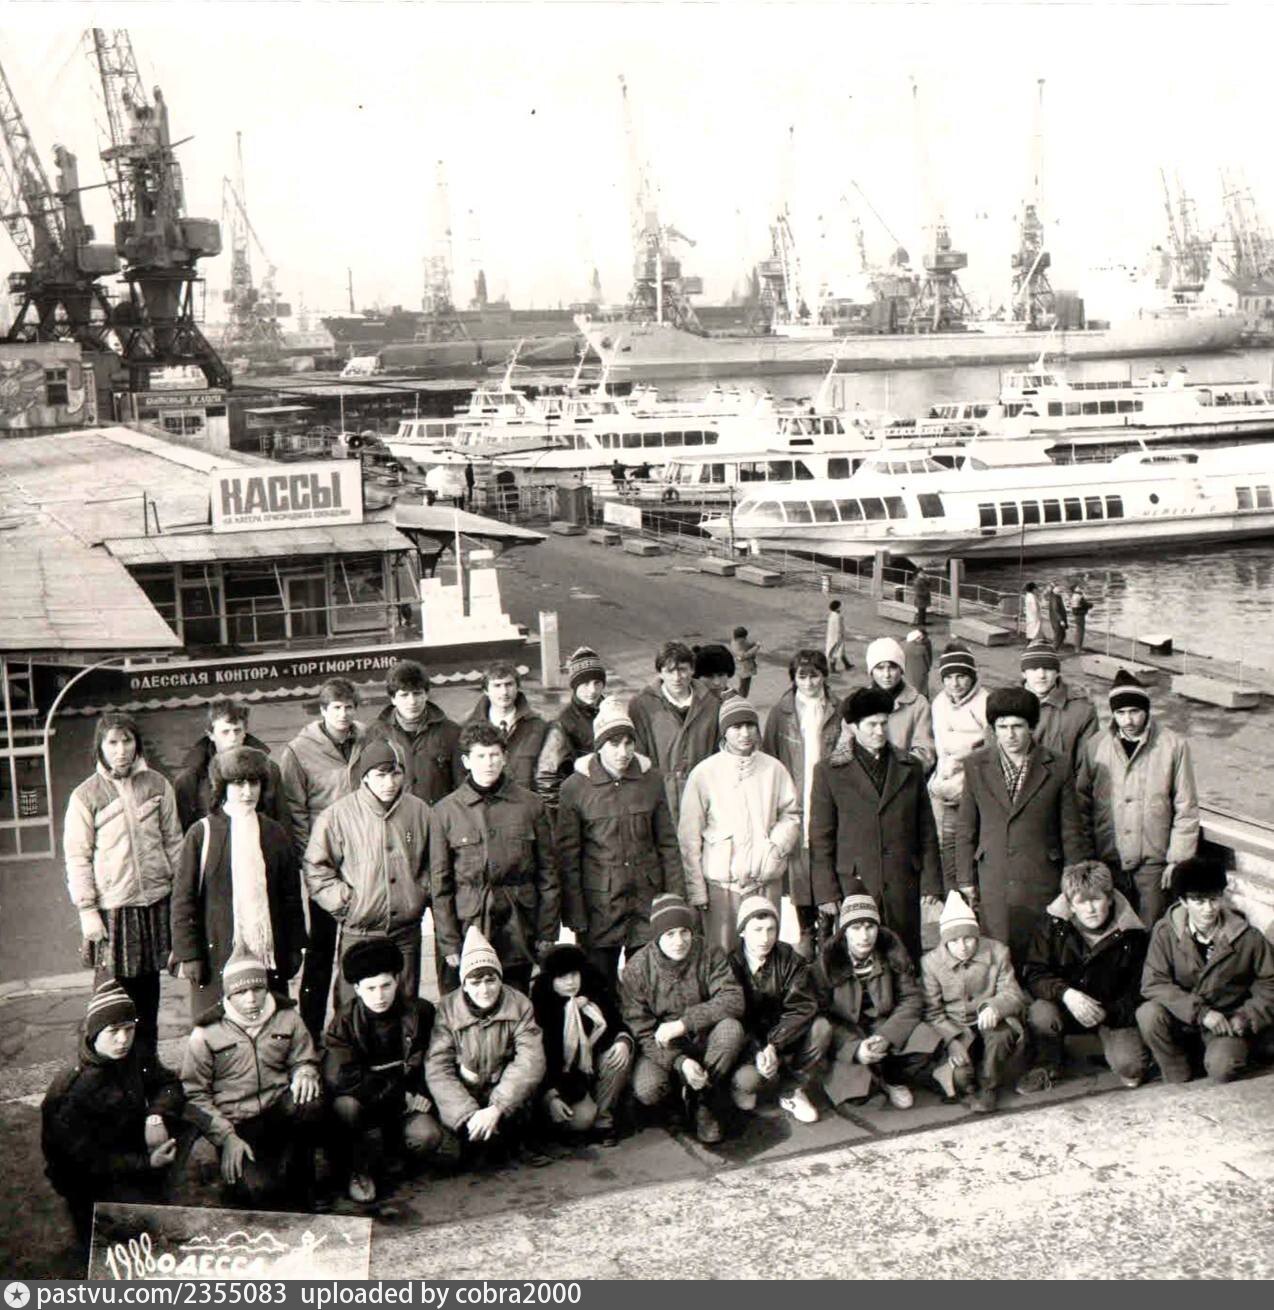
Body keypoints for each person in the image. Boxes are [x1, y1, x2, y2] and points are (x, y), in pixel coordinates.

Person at [63, 712, 183, 1069]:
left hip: (154, 904)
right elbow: (77, 858)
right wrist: (87, 911)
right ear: (100, 747)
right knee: (111, 1003)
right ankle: (106, 1074)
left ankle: (148, 1069)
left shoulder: (158, 784)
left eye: (127, 741)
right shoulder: (86, 795)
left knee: (149, 997)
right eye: (112, 742)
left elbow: (174, 843)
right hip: (113, 911)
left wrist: (180, 899)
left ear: (137, 744)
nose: (121, 750)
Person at [41, 981, 184, 1251]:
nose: (123, 1039)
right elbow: (83, 1161)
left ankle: (151, 1190)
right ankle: (94, 1221)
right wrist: (147, 1163)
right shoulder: (72, 1090)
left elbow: (169, 1083)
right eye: (113, 1031)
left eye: (129, 1028)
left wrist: (156, 1115)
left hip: (127, 1153)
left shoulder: (135, 1054)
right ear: (95, 1033)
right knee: (137, 1241)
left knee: (186, 1119)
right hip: (90, 1178)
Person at [557, 697, 684, 990]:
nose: (623, 752)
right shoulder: (574, 788)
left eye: (629, 743)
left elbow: (667, 844)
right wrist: (575, 911)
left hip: (646, 901)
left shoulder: (652, 781)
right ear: (599, 746)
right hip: (600, 907)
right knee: (599, 986)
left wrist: (674, 898)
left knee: (648, 984)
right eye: (614, 744)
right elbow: (568, 857)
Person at [956, 686, 1090, 964]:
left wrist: (1073, 884)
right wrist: (966, 880)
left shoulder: (1058, 766)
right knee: (997, 954)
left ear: (1031, 727)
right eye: (1002, 727)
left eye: (1017, 726)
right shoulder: (976, 765)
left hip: (1042, 877)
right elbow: (966, 828)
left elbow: (1071, 831)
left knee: (1041, 952)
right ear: (993, 729)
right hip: (994, 878)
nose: (1010, 735)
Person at [170, 746, 306, 1016]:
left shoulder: (274, 833)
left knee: (268, 1021)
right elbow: (183, 899)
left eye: (254, 783)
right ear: (223, 787)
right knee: (217, 1026)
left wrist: (293, 946)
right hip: (216, 953)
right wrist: (190, 953)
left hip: (266, 954)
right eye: (238, 783)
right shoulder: (202, 834)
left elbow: (290, 896)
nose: (247, 792)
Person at [181, 954, 324, 1209]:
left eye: (258, 989)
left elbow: (304, 1057)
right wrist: (226, 1137)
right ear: (228, 995)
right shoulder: (205, 1033)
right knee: (260, 1192)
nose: (251, 999)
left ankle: (302, 1176)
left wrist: (305, 1071)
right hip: (237, 1124)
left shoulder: (287, 1017)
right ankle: (254, 1177)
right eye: (241, 992)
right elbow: (195, 1095)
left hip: (278, 1110)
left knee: (311, 1100)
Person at [810, 686, 941, 964]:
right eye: (871, 725)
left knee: (903, 955)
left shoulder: (909, 767)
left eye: (884, 723)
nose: (880, 731)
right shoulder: (829, 772)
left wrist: (931, 882)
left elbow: (926, 830)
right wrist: (826, 891)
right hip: (855, 881)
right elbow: (821, 837)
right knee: (858, 954)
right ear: (852, 727)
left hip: (902, 879)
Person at [430, 721, 559, 996]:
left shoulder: (530, 805)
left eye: (494, 755)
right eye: (480, 756)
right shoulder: (445, 812)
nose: (488, 763)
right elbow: (440, 884)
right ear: (466, 761)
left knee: (518, 997)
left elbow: (548, 873)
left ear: (504, 757)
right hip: (470, 924)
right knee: (469, 1001)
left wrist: (547, 931)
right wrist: (449, 941)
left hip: (519, 924)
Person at [304, 737, 433, 1008]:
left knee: (404, 1003)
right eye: (380, 775)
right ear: (365, 777)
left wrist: (419, 893)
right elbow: (316, 869)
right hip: (360, 930)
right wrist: (349, 903)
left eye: (396, 774)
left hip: (406, 932)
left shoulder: (419, 811)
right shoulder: (337, 816)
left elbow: (433, 863)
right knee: (353, 1005)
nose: (389, 783)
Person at [323, 936, 448, 1203]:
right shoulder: (342, 1023)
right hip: (367, 1102)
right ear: (357, 988)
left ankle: (395, 1157)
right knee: (345, 1107)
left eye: (385, 985)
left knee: (427, 1135)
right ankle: (357, 1168)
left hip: (407, 1102)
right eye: (370, 988)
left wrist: (423, 1092)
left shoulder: (420, 1013)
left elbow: (436, 1059)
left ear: (397, 980)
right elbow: (343, 1077)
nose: (379, 996)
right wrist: (400, 1096)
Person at [620, 894, 747, 1145]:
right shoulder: (637, 969)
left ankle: (703, 1100)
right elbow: (641, 1030)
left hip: (705, 1038)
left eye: (684, 932)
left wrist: (684, 1023)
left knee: (731, 1029)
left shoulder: (709, 952)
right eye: (669, 934)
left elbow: (733, 999)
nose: (679, 941)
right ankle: (678, 1099)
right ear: (657, 937)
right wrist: (679, 1062)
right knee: (648, 1089)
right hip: (664, 1047)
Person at [678, 697, 802, 953]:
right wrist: (697, 889)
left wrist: (775, 849)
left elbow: (791, 814)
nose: (745, 733)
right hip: (723, 886)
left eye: (750, 725)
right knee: (723, 954)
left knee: (764, 951)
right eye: (736, 727)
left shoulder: (774, 769)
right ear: (724, 731)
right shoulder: (704, 773)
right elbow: (689, 836)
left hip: (764, 881)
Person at [278, 678, 366, 1040]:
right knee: (321, 948)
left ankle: (353, 1027)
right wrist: (310, 860)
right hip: (325, 861)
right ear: (323, 711)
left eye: (349, 707)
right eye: (336, 708)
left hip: (363, 855)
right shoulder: (298, 751)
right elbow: (295, 810)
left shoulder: (367, 739)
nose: (343, 715)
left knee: (360, 945)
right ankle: (311, 1031)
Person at [1077, 669, 1200, 925]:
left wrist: (1177, 860)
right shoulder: (1096, 746)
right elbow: (1082, 802)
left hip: (1153, 862)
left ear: (1146, 710)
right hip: (1108, 859)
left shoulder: (1172, 746)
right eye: (1120, 712)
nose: (1128, 720)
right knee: (1114, 928)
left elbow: (1186, 807)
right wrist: (1088, 855)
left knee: (1151, 926)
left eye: (1134, 711)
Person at [1017, 860, 1151, 1094]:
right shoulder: (1052, 924)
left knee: (1131, 1067)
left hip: (1111, 1013)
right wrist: (1066, 994)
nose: (1090, 909)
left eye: (1096, 899)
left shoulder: (1133, 935)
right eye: (1081, 902)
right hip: (1065, 1004)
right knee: (1040, 1014)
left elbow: (1139, 989)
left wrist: (1108, 1012)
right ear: (1070, 905)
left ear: (1110, 898)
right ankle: (1047, 1063)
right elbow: (1035, 973)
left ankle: (1113, 1051)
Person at [1137, 858, 1274, 1084]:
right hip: (1182, 1017)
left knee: (1222, 1069)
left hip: (1226, 1021)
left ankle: (1238, 1052)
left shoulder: (1247, 936)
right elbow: (1154, 982)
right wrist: (1200, 1013)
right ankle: (1177, 1071)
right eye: (1198, 901)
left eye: (1214, 899)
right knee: (1148, 1014)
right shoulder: (1165, 932)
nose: (1208, 909)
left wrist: (1246, 1017)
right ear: (1183, 901)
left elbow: (1269, 983)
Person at [424, 927, 548, 1166]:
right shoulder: (447, 1009)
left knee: (517, 1127)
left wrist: (497, 1107)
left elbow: (530, 1060)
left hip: (504, 1093)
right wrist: (467, 1114)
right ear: (464, 985)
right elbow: (438, 1068)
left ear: (500, 979)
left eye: (491, 980)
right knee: (453, 1156)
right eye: (476, 982)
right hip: (465, 1094)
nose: (484, 989)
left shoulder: (519, 1004)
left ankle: (514, 1138)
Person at [811, 886, 935, 1113]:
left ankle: (891, 1077)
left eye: (870, 927)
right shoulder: (828, 962)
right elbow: (820, 1014)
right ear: (844, 932)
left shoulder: (892, 952)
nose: (864, 935)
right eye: (856, 928)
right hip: (848, 1034)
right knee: (858, 1098)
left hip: (883, 1026)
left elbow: (911, 999)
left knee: (927, 1040)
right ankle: (869, 1077)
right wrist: (854, 1048)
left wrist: (887, 1036)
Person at [761, 649, 842, 959]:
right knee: (799, 864)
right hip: (794, 795)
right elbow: (770, 756)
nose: (809, 683)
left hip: (827, 793)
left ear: (824, 676)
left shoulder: (837, 709)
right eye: (802, 677)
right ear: (794, 679)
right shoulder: (781, 713)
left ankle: (827, 928)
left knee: (826, 853)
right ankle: (806, 928)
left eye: (815, 676)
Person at [919, 891, 1028, 1113]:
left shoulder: (997, 952)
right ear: (945, 941)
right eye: (954, 940)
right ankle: (967, 1083)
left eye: (968, 938)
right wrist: (952, 1041)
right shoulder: (931, 963)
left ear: (977, 936)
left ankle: (989, 1086)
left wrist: (994, 1007)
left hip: (991, 1025)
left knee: (1001, 1036)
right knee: (961, 1077)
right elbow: (932, 1012)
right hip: (957, 1028)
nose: (962, 946)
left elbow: (1013, 992)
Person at [727, 896, 830, 1124]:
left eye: (771, 929)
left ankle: (791, 1089)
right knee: (747, 1082)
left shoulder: (790, 960)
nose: (765, 938)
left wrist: (774, 1044)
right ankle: (740, 1086)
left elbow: (802, 1006)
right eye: (757, 930)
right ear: (742, 932)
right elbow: (733, 1017)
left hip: (783, 1039)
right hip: (749, 1046)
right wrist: (757, 1050)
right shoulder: (729, 965)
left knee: (821, 1028)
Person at [530, 944, 634, 1147]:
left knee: (618, 1054)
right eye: (562, 977)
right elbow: (538, 1061)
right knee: (582, 1119)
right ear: (551, 980)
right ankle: (564, 1124)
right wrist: (550, 1096)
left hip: (590, 1072)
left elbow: (617, 1024)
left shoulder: (591, 999)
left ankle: (604, 1120)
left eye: (574, 974)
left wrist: (623, 1041)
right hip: (561, 1082)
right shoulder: (542, 1011)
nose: (570, 982)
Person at [630, 640, 722, 826]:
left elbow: (718, 752)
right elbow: (638, 754)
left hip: (702, 794)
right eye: (669, 671)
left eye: (682, 669)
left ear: (692, 670)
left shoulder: (711, 704)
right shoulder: (642, 706)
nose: (677, 677)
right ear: (660, 672)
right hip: (660, 798)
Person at [172, 699, 289, 833]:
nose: (233, 738)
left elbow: (282, 822)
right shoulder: (190, 779)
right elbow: (184, 833)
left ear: (245, 732)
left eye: (237, 731)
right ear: (211, 735)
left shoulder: (269, 770)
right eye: (225, 732)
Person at [929, 644, 989, 895]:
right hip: (942, 785)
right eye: (949, 677)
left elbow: (990, 747)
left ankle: (971, 896)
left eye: (961, 676)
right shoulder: (939, 703)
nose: (954, 684)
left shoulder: (984, 702)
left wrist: (964, 759)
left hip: (969, 787)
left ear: (972, 676)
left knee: (966, 842)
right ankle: (952, 897)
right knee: (944, 845)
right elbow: (939, 744)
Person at [360, 659, 460, 806]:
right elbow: (366, 785)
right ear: (393, 699)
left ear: (426, 695)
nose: (412, 701)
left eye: (417, 693)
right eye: (404, 695)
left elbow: (461, 783)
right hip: (394, 815)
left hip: (439, 815)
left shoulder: (451, 732)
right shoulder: (374, 733)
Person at [535, 646, 609, 815]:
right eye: (585, 683)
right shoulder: (563, 723)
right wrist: (564, 817)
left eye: (597, 683)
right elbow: (547, 777)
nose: (592, 690)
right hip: (586, 809)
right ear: (574, 686)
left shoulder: (612, 712)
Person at [462, 662, 549, 791]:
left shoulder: (539, 726)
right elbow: (461, 776)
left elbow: (547, 774)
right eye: (497, 685)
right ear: (486, 690)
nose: (504, 692)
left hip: (526, 800)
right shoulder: (467, 727)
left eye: (509, 684)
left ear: (518, 687)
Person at [1021, 639, 1098, 775]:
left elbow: (1087, 764)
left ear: (1057, 672)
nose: (1041, 675)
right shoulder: (1005, 705)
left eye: (1048, 668)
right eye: (1033, 669)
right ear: (1024, 673)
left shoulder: (1082, 710)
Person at [860, 636, 935, 770]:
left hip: (904, 777)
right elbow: (845, 746)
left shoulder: (918, 704)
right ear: (871, 671)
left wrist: (897, 773)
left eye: (893, 667)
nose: (886, 675)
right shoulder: (858, 701)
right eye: (880, 668)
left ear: (901, 669)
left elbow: (925, 752)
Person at [903, 627, 933, 700]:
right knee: (923, 687)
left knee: (911, 686)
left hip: (909, 672)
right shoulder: (922, 648)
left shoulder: (905, 647)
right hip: (922, 671)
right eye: (918, 638)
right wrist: (928, 668)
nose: (920, 639)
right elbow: (927, 661)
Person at [730, 626, 761, 699]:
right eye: (744, 637)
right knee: (744, 688)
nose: (745, 638)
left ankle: (740, 699)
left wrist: (753, 644)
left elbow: (746, 645)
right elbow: (744, 656)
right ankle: (740, 700)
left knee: (745, 687)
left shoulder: (738, 641)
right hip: (744, 669)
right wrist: (755, 648)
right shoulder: (736, 645)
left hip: (745, 668)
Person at [824, 599, 852, 673]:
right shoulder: (837, 617)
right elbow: (839, 628)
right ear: (837, 607)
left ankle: (847, 665)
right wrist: (840, 637)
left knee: (839, 651)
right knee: (836, 652)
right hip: (836, 638)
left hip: (832, 637)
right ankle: (833, 668)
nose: (841, 607)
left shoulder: (832, 615)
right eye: (840, 606)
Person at [1068, 582, 1093, 654]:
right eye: (1077, 587)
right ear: (1075, 589)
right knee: (1080, 632)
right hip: (1080, 615)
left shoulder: (1073, 596)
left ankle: (1077, 647)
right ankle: (1078, 649)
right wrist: (1091, 605)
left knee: (1078, 631)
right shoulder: (1078, 596)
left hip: (1076, 615)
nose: (1079, 588)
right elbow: (1085, 604)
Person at [1047, 582, 1069, 654]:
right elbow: (1055, 610)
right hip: (1057, 620)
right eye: (1058, 588)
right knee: (1059, 635)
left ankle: (1055, 650)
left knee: (1061, 634)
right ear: (1054, 589)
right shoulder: (1055, 598)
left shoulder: (1056, 596)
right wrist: (1061, 620)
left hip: (1056, 619)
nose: (1060, 590)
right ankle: (1053, 651)